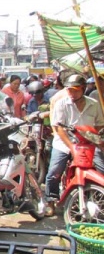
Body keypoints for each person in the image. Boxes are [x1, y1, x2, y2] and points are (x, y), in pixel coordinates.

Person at [44, 74, 104, 217]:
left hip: (88, 144)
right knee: (54, 172)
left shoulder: (93, 104)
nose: (72, 93)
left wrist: (94, 138)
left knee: (101, 170)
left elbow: (100, 124)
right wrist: (71, 146)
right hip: (64, 143)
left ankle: (98, 199)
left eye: (75, 90)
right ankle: (51, 201)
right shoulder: (62, 103)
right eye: (69, 90)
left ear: (83, 89)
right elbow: (58, 128)